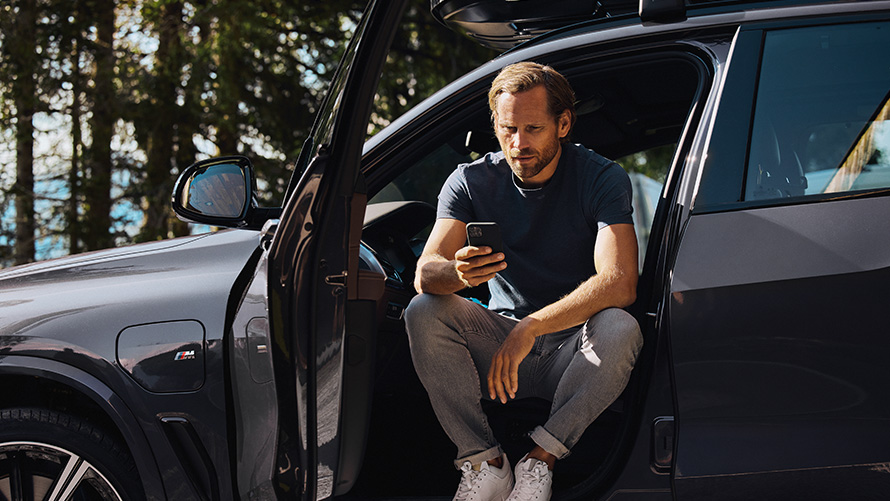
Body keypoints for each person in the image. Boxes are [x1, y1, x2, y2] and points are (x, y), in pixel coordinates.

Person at [404, 62, 643, 501]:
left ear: (563, 123)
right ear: (495, 124)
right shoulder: (470, 181)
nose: (519, 144)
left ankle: (540, 459)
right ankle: (485, 462)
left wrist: (530, 326)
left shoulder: (600, 177)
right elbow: (426, 272)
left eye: (533, 128)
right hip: (498, 351)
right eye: (508, 129)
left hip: (574, 352)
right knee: (423, 309)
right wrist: (457, 271)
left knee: (622, 327)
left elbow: (620, 281)